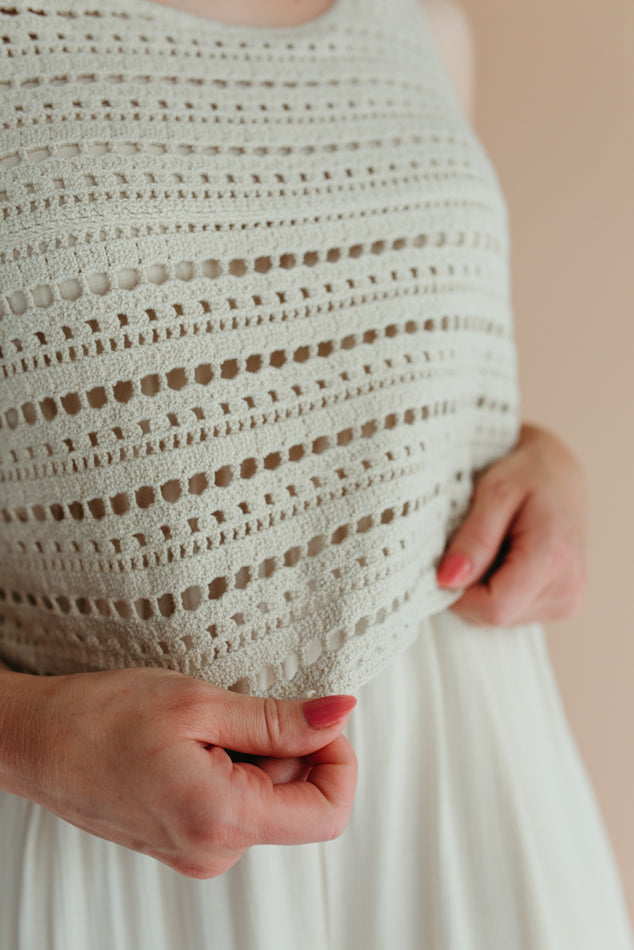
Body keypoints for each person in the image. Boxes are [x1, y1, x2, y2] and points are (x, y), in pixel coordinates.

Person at [0, 0, 632, 947]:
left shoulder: (423, 28)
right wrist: (30, 736)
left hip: (474, 787)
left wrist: (542, 456)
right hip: (122, 841)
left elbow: (385, 385)